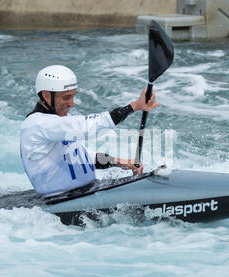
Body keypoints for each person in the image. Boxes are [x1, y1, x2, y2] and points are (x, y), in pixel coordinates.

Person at [20, 65, 158, 196]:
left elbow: (79, 158)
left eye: (73, 96)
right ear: (46, 96)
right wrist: (134, 106)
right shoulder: (37, 124)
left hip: (85, 192)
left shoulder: (59, 122)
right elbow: (88, 127)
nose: (72, 104)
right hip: (62, 202)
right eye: (66, 97)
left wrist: (119, 161)